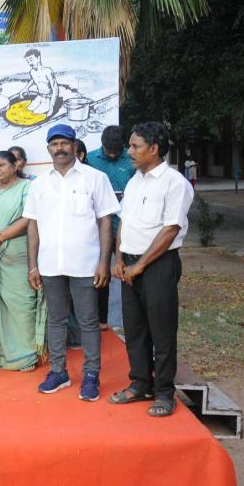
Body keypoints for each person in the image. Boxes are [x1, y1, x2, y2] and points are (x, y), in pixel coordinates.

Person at [24, 124, 119, 402]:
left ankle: (91, 375)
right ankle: (58, 371)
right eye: (54, 144)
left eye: (64, 143)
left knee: (89, 321)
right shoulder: (39, 184)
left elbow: (105, 221)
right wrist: (33, 265)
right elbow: (33, 226)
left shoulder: (95, 178)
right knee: (56, 319)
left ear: (75, 146)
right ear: (48, 149)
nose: (60, 149)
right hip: (50, 264)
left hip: (85, 263)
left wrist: (104, 261)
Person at [110, 122, 194, 417]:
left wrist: (141, 265)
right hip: (129, 263)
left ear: (154, 149)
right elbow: (124, 223)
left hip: (158, 264)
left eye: (135, 146)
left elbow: (171, 229)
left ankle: (164, 393)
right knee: (135, 329)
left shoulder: (174, 182)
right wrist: (119, 259)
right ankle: (140, 384)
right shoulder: (135, 181)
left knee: (162, 330)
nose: (129, 151)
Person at [0, 151, 46, 371]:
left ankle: (24, 356)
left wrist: (0, 236)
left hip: (18, 256)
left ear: (15, 166)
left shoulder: (28, 187)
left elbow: (29, 217)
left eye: (2, 165)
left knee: (21, 306)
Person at [86, 125, 136, 331]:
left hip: (128, 225)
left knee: (129, 270)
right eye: (110, 151)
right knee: (102, 269)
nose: (114, 155)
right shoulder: (91, 159)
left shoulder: (131, 159)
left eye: (117, 151)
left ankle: (130, 316)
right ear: (102, 146)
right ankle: (102, 319)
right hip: (100, 227)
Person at [23, 48, 60, 116]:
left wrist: (51, 108)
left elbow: (55, 90)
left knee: (35, 113)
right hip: (39, 96)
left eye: (31, 60)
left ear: (38, 58)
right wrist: (26, 88)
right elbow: (34, 80)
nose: (30, 63)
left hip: (48, 99)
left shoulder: (48, 71)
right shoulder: (32, 72)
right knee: (28, 110)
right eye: (28, 61)